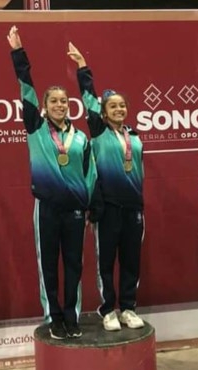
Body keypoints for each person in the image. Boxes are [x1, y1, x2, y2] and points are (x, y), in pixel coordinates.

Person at [7, 26, 97, 340]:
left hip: (74, 211)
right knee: (49, 265)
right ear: (45, 106)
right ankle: (53, 316)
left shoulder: (80, 138)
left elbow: (90, 175)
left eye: (64, 100)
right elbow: (26, 88)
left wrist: (88, 208)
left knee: (73, 264)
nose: (60, 104)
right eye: (54, 101)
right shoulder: (36, 127)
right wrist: (18, 53)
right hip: (45, 208)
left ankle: (72, 316)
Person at [67, 42, 145, 331]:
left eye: (122, 105)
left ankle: (128, 307)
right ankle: (107, 309)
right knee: (106, 261)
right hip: (109, 207)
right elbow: (88, 97)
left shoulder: (134, 136)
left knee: (131, 261)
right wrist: (83, 66)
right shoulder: (98, 131)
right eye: (113, 106)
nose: (119, 109)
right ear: (104, 111)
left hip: (133, 207)